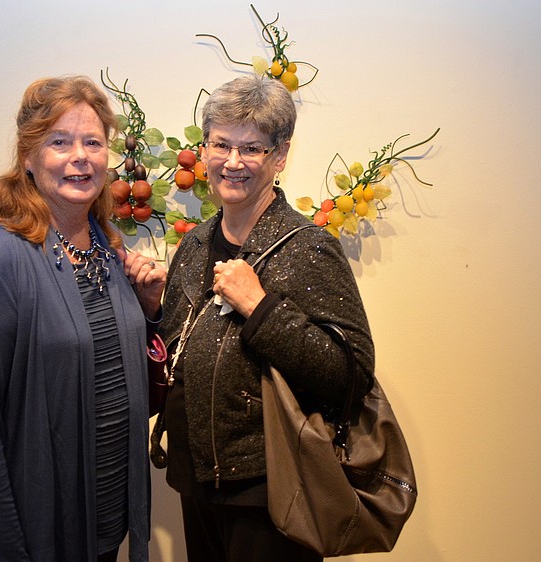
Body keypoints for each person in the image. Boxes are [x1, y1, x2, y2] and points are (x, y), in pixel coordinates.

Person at [149, 74, 376, 562]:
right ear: (204, 148)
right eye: (221, 144)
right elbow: (180, 355)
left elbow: (350, 376)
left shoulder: (308, 247)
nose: (232, 162)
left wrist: (261, 307)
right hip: (197, 481)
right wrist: (152, 309)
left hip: (271, 487)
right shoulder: (194, 244)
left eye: (251, 148)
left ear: (279, 157)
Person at [0, 75, 165, 562]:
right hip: (44, 531)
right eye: (59, 142)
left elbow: (121, 380)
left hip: (109, 519)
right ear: (28, 157)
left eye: (93, 142)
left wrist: (148, 313)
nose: (80, 156)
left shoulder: (108, 251)